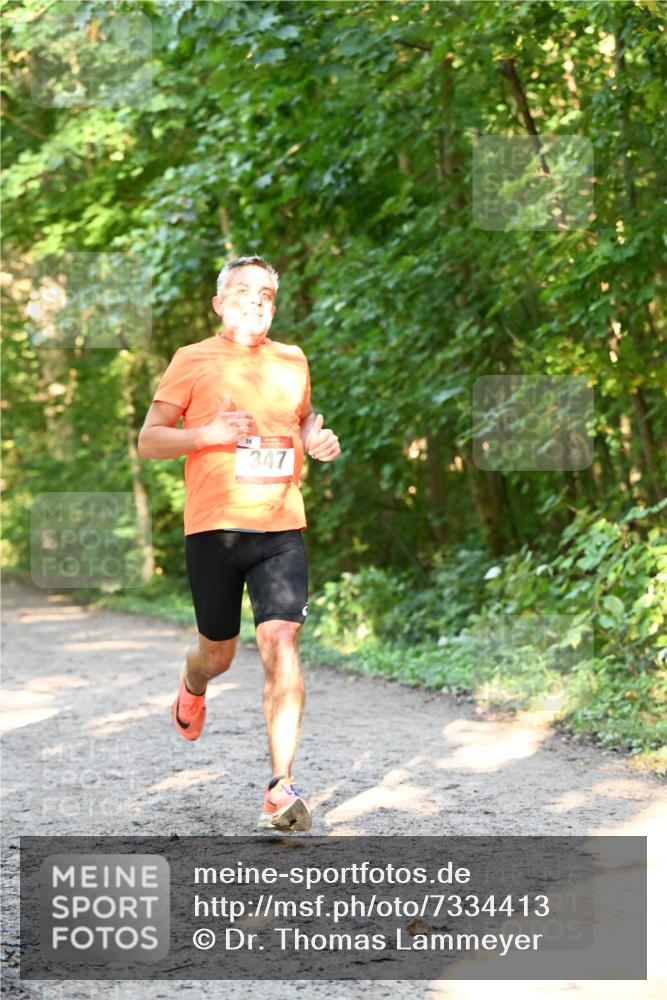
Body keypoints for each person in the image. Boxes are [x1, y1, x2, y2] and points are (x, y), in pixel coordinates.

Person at [138, 256, 340, 831]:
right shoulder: (192, 359)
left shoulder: (291, 360)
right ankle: (193, 681)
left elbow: (300, 420)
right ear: (220, 302)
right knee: (219, 654)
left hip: (280, 525)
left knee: (282, 642)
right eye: (245, 291)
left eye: (268, 294)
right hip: (214, 529)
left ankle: (280, 788)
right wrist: (207, 433)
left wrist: (315, 437)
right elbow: (149, 440)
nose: (257, 301)